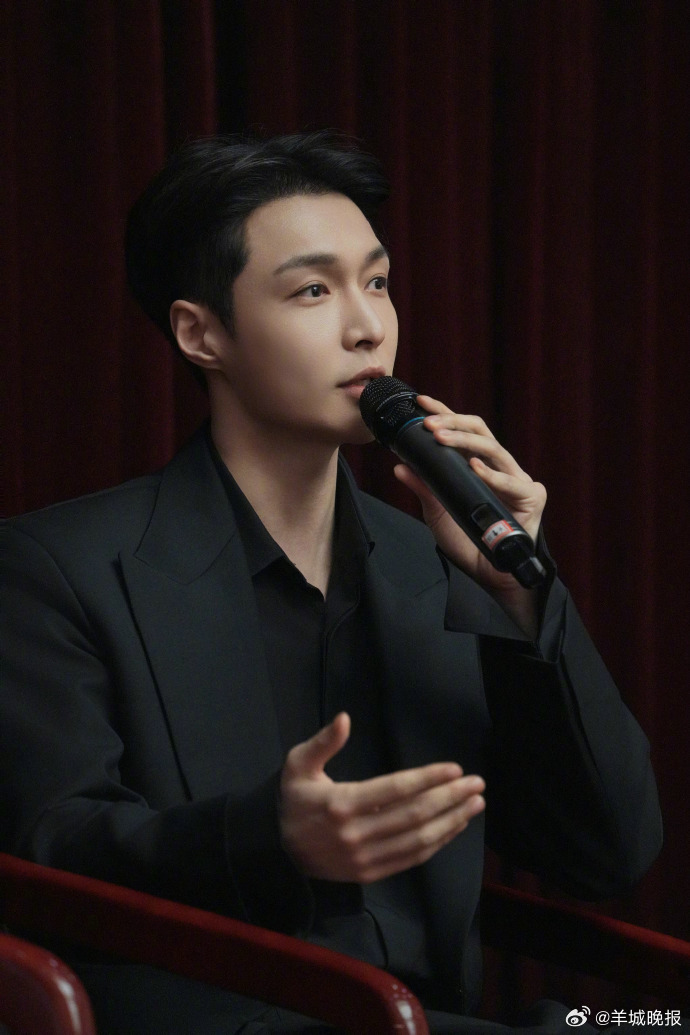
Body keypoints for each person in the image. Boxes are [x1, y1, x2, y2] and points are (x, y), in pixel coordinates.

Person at [0, 132, 662, 1034]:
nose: (368, 327)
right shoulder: (58, 566)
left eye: (377, 282)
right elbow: (51, 848)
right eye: (314, 290)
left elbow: (608, 851)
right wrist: (270, 836)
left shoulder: (434, 561)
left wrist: (521, 597)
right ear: (201, 333)